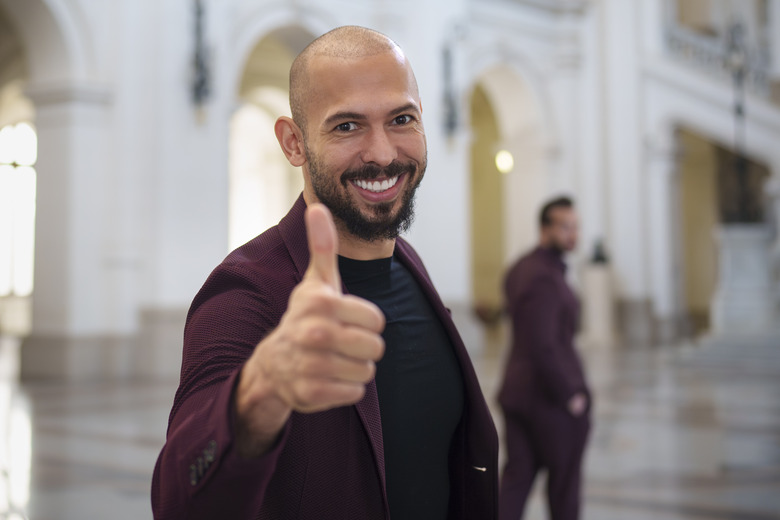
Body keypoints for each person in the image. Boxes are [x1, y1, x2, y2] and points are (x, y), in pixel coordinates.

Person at [151, 26, 498, 520]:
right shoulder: (245, 292)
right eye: (347, 126)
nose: (382, 153)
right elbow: (177, 500)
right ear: (294, 143)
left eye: (402, 119)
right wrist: (260, 391)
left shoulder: (408, 264)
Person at [496, 197, 591, 520]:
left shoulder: (522, 267)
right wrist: (571, 396)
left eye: (575, 227)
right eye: (565, 227)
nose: (572, 234)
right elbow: (543, 345)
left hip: (519, 394)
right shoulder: (543, 277)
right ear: (544, 229)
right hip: (547, 401)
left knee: (516, 480)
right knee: (564, 489)